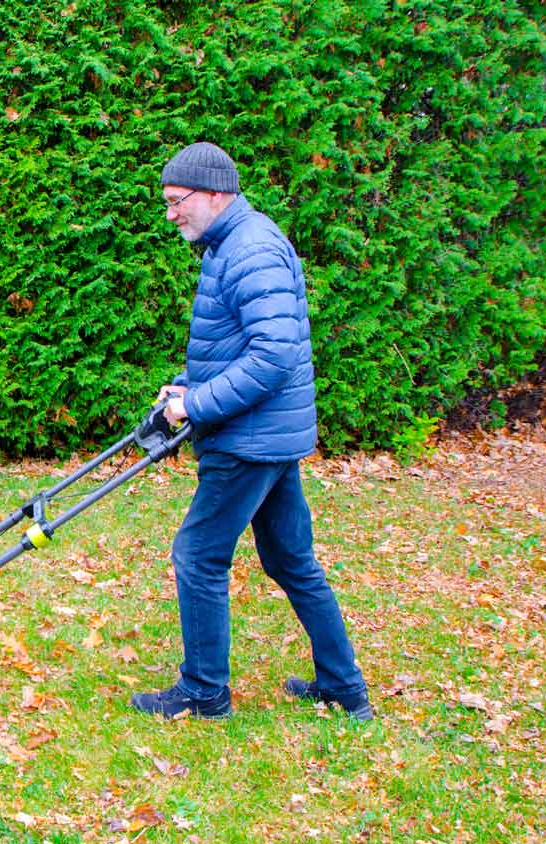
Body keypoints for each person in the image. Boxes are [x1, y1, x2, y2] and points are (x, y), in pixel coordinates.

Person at [129, 142, 373, 721]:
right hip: (267, 434)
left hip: (249, 438)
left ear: (214, 193)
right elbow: (239, 347)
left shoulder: (251, 249)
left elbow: (271, 359)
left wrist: (197, 406)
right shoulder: (232, 243)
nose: (171, 214)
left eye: (176, 201)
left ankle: (204, 692)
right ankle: (344, 686)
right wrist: (186, 387)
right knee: (292, 560)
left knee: (198, 554)